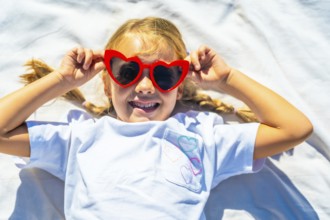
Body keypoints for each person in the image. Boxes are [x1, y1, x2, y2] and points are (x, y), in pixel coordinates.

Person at [0, 17, 312, 219]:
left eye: (164, 75)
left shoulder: (202, 137)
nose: (146, 87)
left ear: (180, 86)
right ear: (108, 85)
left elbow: (295, 128)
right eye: (128, 72)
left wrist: (227, 80)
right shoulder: (80, 137)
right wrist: (62, 81)